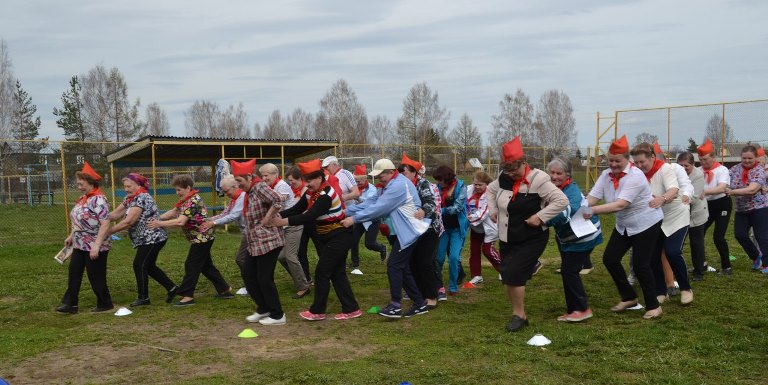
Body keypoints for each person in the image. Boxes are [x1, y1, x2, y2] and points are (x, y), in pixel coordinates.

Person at [486, 136, 569, 332]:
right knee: (507, 273)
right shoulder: (503, 178)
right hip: (507, 235)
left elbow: (561, 200)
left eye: (514, 169)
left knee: (513, 273)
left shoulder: (538, 179)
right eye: (507, 169)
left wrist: (540, 217)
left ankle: (519, 315)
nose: (511, 173)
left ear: (524, 163)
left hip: (531, 237)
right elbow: (490, 190)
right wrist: (492, 210)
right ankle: (518, 312)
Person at [584, 135, 663, 320]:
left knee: (641, 264)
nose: (613, 164)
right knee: (610, 259)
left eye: (617, 161)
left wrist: (592, 211)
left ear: (627, 160)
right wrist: (580, 208)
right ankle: (629, 297)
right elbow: (592, 197)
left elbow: (620, 204)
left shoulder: (635, 176)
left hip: (646, 223)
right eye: (610, 160)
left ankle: (654, 306)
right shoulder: (605, 176)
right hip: (624, 225)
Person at [273, 159, 362, 321]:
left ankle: (318, 311)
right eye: (305, 181)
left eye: (309, 180)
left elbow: (309, 216)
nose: (306, 184)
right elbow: (297, 208)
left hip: (340, 236)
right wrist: (279, 215)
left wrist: (282, 222)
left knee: (322, 272)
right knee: (337, 273)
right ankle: (351, 308)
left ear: (319, 178)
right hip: (328, 237)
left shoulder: (325, 194)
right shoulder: (310, 192)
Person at [342, 158, 431, 318]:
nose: (378, 179)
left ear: (391, 172)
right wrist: (344, 212)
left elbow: (380, 209)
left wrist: (354, 219)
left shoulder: (397, 186)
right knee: (402, 267)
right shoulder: (387, 185)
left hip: (410, 230)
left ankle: (396, 306)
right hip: (403, 231)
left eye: (381, 175)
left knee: (394, 265)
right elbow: (370, 203)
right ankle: (419, 303)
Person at [148, 175, 233, 306]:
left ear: (188, 188)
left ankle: (187, 296)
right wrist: (155, 219)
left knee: (191, 264)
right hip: (199, 237)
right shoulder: (185, 200)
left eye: (179, 190)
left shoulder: (193, 201)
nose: (177, 193)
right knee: (205, 266)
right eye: (176, 190)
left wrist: (159, 223)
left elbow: (180, 221)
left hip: (203, 237)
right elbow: (173, 212)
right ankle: (225, 289)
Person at [631, 143, 693, 305]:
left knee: (672, 252)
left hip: (676, 216)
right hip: (654, 218)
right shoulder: (636, 174)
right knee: (653, 255)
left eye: (642, 162)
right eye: (636, 162)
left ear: (652, 157)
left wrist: (663, 198)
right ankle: (661, 290)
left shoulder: (666, 169)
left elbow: (674, 189)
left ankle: (686, 289)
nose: (639, 166)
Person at [230, 159, 287, 326]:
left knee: (264, 278)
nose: (239, 185)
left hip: (269, 240)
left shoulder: (260, 187)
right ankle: (263, 308)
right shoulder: (249, 192)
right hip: (255, 242)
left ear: (249, 176)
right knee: (248, 274)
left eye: (240, 181)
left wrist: (268, 218)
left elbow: (278, 200)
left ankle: (278, 315)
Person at [545, 158, 603, 322]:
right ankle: (573, 307)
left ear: (567, 175)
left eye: (559, 173)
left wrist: (541, 220)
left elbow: (564, 214)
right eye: (552, 172)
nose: (554, 176)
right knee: (568, 270)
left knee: (569, 271)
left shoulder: (571, 192)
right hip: (570, 237)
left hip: (584, 236)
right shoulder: (555, 189)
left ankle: (581, 309)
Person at [108, 173, 177, 307]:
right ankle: (173, 288)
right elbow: (116, 214)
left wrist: (108, 232)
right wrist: (100, 217)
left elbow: (128, 222)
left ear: (138, 185)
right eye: (125, 186)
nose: (126, 189)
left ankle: (143, 298)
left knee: (139, 264)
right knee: (148, 266)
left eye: (129, 186)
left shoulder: (142, 197)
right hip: (145, 239)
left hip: (153, 237)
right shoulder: (130, 198)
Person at [56, 161, 114, 314]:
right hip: (79, 243)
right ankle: (70, 304)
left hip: (96, 244)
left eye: (81, 183)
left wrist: (96, 245)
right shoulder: (84, 198)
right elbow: (78, 219)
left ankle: (105, 303)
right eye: (78, 183)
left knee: (95, 275)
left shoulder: (99, 200)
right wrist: (71, 235)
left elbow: (105, 223)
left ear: (91, 182)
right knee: (74, 271)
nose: (79, 186)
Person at [260, 163, 312, 299]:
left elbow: (278, 203)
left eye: (266, 175)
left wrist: (266, 218)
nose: (264, 178)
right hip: (283, 226)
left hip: (293, 225)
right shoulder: (272, 186)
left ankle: (304, 286)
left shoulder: (281, 186)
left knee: (290, 256)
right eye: (262, 176)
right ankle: (301, 279)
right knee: (281, 257)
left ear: (274, 174)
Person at [400, 153, 443, 309]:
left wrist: (423, 212)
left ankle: (432, 296)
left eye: (403, 171)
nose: (401, 175)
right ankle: (420, 295)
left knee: (425, 263)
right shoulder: (401, 185)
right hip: (411, 230)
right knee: (412, 262)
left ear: (413, 172)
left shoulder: (423, 184)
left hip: (429, 228)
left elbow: (430, 203)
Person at [200, 175, 248, 295]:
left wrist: (213, 223)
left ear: (235, 186)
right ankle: (252, 285)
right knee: (246, 260)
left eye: (226, 191)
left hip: (251, 233)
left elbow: (233, 216)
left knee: (241, 259)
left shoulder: (241, 197)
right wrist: (208, 220)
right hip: (247, 233)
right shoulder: (234, 199)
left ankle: (251, 286)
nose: (225, 193)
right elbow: (225, 213)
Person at [725, 145, 768, 274]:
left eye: (750, 158)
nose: (747, 160)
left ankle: (766, 264)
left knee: (762, 237)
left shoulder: (759, 171)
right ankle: (756, 257)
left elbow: (752, 190)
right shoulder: (734, 169)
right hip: (741, 209)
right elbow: (725, 181)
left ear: (755, 158)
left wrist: (732, 192)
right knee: (740, 235)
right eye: (744, 158)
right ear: (741, 157)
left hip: (759, 208)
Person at [698, 139, 733, 274]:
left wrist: (703, 192)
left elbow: (721, 188)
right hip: (706, 205)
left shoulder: (722, 170)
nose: (703, 162)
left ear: (713, 157)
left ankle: (726, 267)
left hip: (722, 203)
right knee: (698, 234)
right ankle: (701, 263)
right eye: (701, 160)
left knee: (718, 237)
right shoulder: (698, 170)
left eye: (706, 159)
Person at [433, 165, 469, 296]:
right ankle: (438, 285)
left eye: (440, 180)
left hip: (457, 228)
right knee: (439, 258)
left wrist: (438, 210)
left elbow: (457, 208)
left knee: (454, 258)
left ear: (447, 178)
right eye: (437, 180)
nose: (438, 182)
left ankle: (453, 285)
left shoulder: (461, 186)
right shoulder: (437, 188)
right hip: (442, 228)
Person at [349, 164, 388, 275]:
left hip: (372, 219)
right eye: (355, 182)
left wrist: (358, 198)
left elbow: (370, 205)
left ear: (365, 179)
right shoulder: (354, 188)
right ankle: (355, 264)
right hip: (360, 219)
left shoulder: (372, 189)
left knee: (369, 244)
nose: (357, 184)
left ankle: (382, 248)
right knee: (353, 241)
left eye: (359, 182)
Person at [464, 170, 502, 286]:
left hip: (489, 227)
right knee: (474, 251)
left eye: (480, 185)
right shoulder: (468, 190)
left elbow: (484, 212)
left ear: (486, 184)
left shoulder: (490, 194)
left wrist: (467, 218)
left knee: (487, 250)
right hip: (476, 228)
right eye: (475, 184)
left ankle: (505, 269)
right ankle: (476, 276)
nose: (477, 187)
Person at [677, 152, 708, 281]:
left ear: (693, 165)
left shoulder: (698, 175)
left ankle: (699, 272)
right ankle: (676, 270)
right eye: (681, 165)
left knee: (696, 244)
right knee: (677, 244)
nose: (683, 168)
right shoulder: (674, 173)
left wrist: (673, 198)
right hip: (678, 215)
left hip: (696, 215)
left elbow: (694, 198)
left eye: (687, 166)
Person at [286, 166, 314, 283]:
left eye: (293, 180)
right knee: (301, 252)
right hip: (300, 224)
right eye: (289, 181)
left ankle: (329, 276)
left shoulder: (306, 190)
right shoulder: (292, 190)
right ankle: (306, 278)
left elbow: (301, 208)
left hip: (311, 223)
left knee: (320, 249)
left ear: (300, 179)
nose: (291, 183)